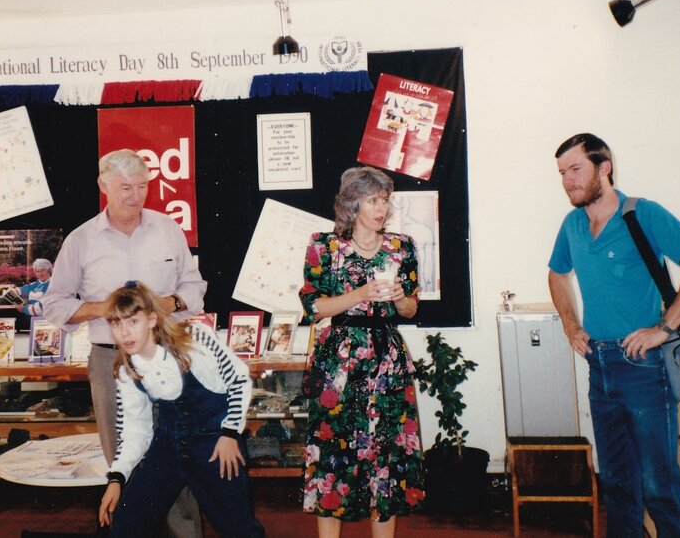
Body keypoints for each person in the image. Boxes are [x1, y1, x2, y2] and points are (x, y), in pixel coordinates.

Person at [547, 133, 680, 538]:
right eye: (561, 173)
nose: (567, 180)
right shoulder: (572, 224)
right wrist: (571, 325)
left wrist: (664, 328)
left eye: (575, 169)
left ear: (603, 168)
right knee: (618, 483)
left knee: (658, 485)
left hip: (642, 366)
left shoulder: (642, 213)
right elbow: (556, 274)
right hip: (599, 364)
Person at [41, 148, 207, 538]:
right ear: (103, 186)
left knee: (178, 453)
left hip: (168, 356)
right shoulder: (81, 240)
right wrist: (106, 308)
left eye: (143, 186)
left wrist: (166, 304)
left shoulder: (168, 229)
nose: (136, 195)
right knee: (122, 456)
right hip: (109, 361)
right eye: (125, 187)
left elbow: (194, 287)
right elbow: (54, 304)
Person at [298, 166, 425, 538]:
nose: (381, 207)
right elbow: (313, 308)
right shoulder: (324, 246)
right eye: (373, 200)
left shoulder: (401, 247)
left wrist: (402, 299)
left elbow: (412, 310)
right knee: (331, 459)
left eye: (385, 200)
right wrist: (360, 294)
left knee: (385, 458)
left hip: (387, 359)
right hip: (339, 361)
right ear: (352, 204)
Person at [98, 281, 264, 538]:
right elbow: (134, 431)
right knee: (127, 525)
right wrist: (116, 478)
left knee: (238, 527)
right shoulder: (126, 370)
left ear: (152, 319)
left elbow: (239, 380)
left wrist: (230, 434)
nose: (124, 333)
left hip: (215, 443)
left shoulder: (195, 340)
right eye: (116, 324)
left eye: (132, 321)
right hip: (168, 445)